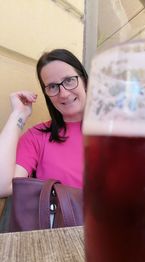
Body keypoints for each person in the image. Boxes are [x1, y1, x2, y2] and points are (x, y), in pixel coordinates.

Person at [0, 49, 88, 198]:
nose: (64, 93)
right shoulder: (37, 137)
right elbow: (2, 187)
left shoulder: (115, 129)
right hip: (64, 221)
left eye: (69, 80)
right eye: (53, 86)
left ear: (84, 81)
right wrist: (18, 114)